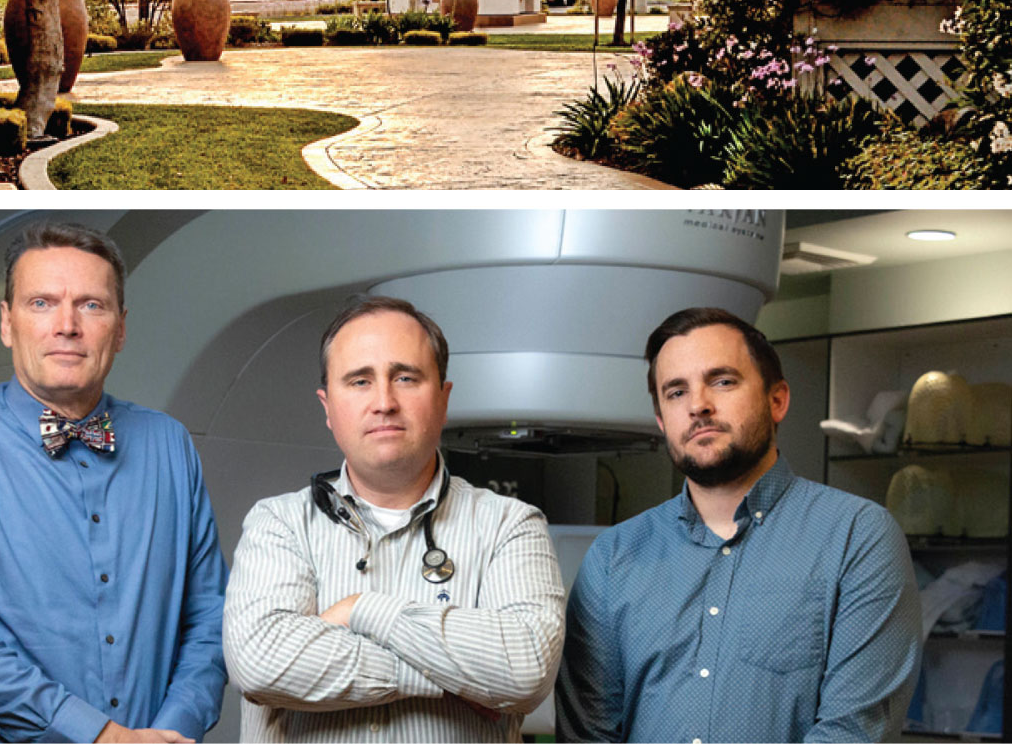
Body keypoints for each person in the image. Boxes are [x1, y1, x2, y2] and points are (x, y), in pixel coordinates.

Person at [0, 222, 228, 744]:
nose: (67, 325)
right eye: (42, 303)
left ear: (120, 328)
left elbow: (208, 619)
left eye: (91, 305)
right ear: (7, 323)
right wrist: (103, 737)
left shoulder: (171, 445)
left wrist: (170, 731)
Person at [555, 306, 923, 743]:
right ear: (660, 421)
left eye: (723, 381)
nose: (698, 406)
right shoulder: (613, 558)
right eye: (675, 392)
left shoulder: (857, 538)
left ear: (777, 400)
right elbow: (588, 735)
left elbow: (853, 731)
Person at [223, 294, 565, 738]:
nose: (384, 401)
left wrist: (361, 610)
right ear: (327, 407)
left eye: (405, 377)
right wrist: (453, 679)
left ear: (443, 399)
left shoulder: (510, 526)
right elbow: (261, 663)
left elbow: (525, 670)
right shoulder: (278, 524)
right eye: (359, 381)